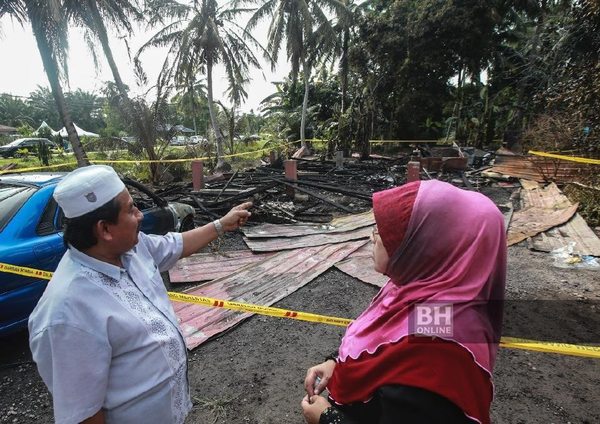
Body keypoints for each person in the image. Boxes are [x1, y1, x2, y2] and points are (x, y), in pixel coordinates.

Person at [28, 165, 252, 424]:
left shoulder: (132, 249)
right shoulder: (67, 313)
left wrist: (221, 224)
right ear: (105, 230)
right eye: (131, 209)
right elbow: (82, 414)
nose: (140, 216)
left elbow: (175, 245)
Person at [301, 180, 506, 424]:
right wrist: (335, 361)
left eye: (387, 233)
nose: (373, 237)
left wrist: (327, 419)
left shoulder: (438, 356)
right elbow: (388, 342)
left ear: (427, 247)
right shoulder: (424, 297)